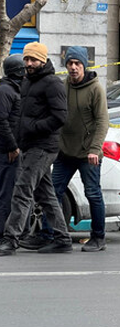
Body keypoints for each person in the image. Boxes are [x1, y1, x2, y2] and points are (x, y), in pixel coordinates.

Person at [23, 46, 110, 252]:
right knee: (51, 193)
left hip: (88, 153)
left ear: (84, 65)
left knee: (93, 194)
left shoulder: (95, 89)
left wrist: (94, 149)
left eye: (77, 64)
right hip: (64, 152)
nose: (73, 68)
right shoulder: (63, 86)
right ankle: (47, 234)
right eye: (70, 63)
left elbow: (102, 121)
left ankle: (99, 237)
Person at [0, 42, 72, 256]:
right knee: (46, 195)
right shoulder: (27, 83)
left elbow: (60, 117)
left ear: (43, 60)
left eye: (33, 60)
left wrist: (33, 128)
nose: (29, 63)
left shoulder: (52, 84)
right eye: (27, 59)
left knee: (21, 191)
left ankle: (10, 239)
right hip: (30, 146)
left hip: (43, 147)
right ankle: (63, 238)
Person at [0, 55, 25, 237]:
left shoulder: (11, 89)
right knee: (6, 194)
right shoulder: (7, 91)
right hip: (6, 152)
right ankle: (3, 233)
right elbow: (2, 121)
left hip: (8, 149)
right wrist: (12, 146)